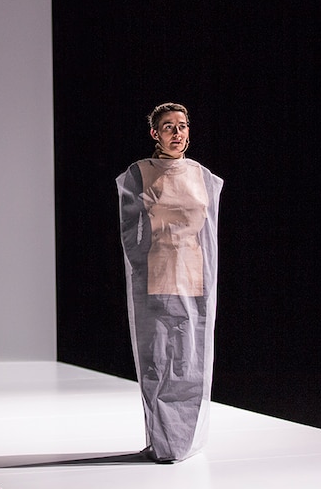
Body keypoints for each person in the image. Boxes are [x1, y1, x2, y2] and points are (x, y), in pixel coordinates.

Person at [116, 103, 223, 463]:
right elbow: (132, 231)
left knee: (190, 359)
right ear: (155, 133)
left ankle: (183, 441)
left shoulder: (203, 176)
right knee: (158, 360)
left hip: (195, 277)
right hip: (156, 274)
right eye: (168, 127)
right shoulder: (139, 174)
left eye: (182, 126)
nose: (177, 134)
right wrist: (141, 270)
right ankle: (162, 441)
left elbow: (208, 232)